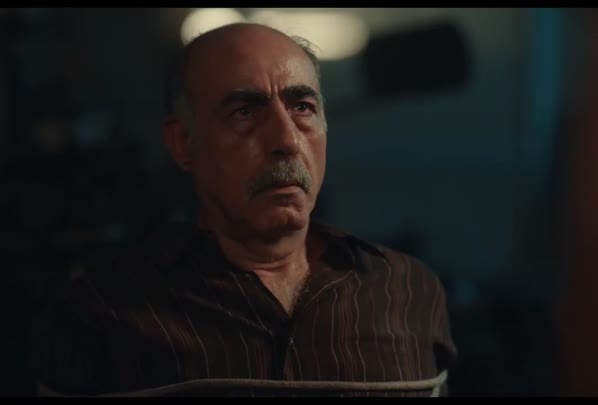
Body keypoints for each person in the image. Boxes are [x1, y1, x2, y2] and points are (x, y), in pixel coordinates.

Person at [29, 23, 457, 397]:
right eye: (244, 111)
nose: (286, 140)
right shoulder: (103, 310)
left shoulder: (409, 291)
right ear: (183, 142)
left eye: (303, 107)